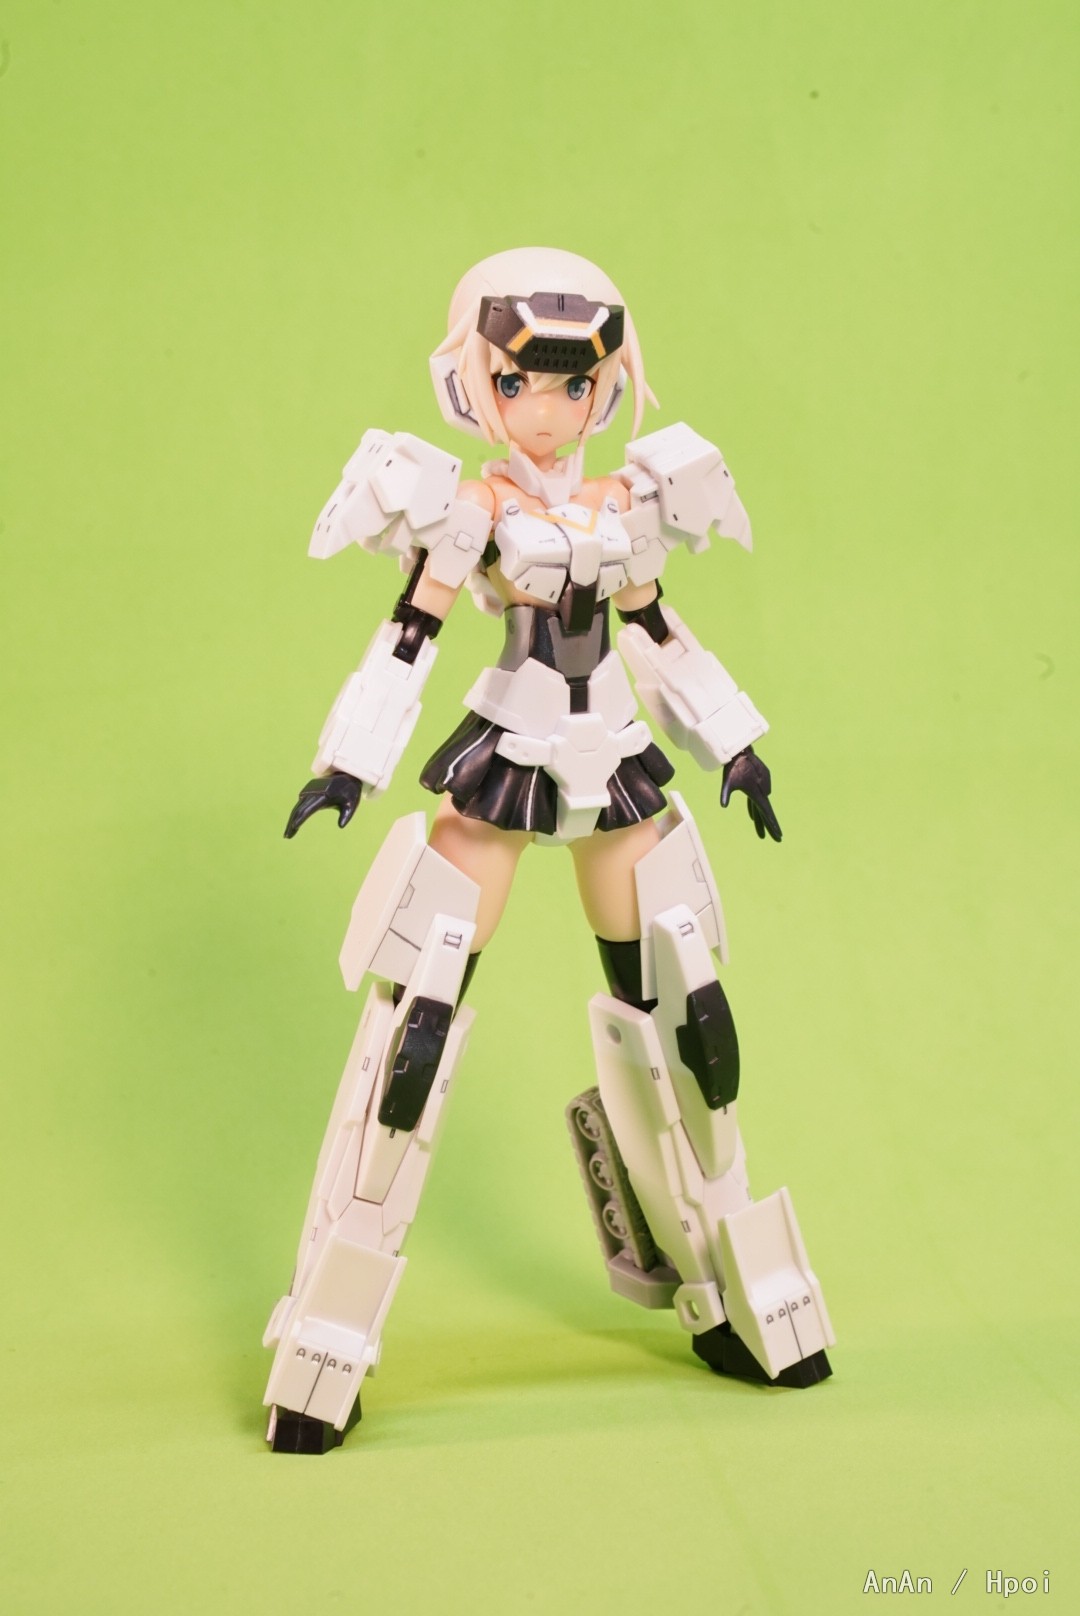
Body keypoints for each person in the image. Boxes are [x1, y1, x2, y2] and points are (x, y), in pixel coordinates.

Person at [262, 247, 834, 1454]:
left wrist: (735, 744)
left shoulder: (631, 502)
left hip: (616, 759)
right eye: (521, 381)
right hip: (509, 758)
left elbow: (659, 627)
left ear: (607, 384)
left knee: (689, 1009)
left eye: (576, 384)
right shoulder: (470, 510)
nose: (549, 410)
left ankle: (735, 1285)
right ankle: (326, 1330)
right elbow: (410, 636)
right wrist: (351, 762)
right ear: (474, 380)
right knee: (418, 1011)